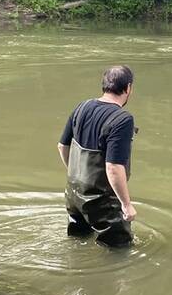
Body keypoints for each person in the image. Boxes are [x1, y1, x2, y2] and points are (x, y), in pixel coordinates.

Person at [57, 65, 137, 247]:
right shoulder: (122, 119)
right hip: (102, 204)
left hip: (73, 195)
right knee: (119, 251)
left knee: (77, 244)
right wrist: (126, 204)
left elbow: (62, 146)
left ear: (105, 85)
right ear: (128, 88)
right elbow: (113, 167)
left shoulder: (82, 107)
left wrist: (79, 179)